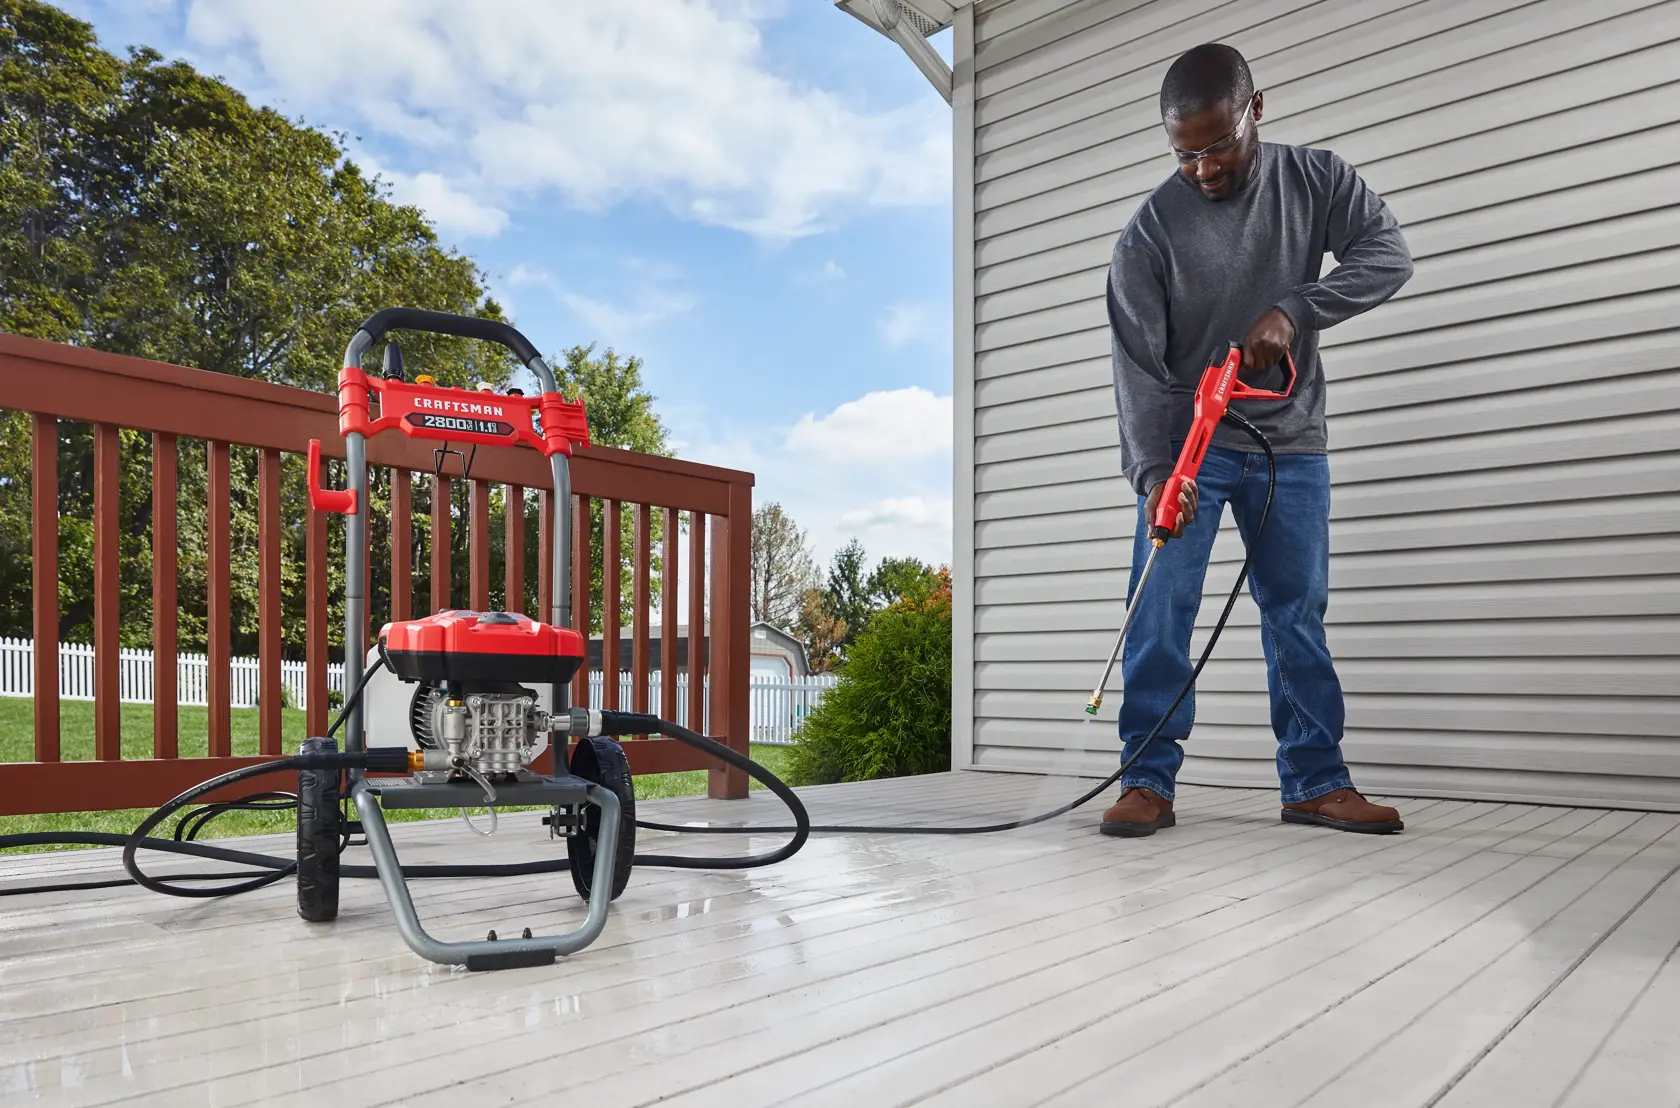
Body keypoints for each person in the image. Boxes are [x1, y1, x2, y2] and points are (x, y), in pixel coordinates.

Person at [1099, 43, 1413, 838]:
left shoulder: (1317, 180)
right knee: (1162, 614)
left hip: (1291, 442)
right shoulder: (1147, 237)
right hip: (1188, 448)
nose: (1202, 167)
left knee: (1295, 612)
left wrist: (1297, 307)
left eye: (1218, 144)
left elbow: (1389, 255)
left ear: (1256, 110)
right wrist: (1156, 478)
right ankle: (1146, 780)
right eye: (1184, 153)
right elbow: (1137, 371)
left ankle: (1315, 780)